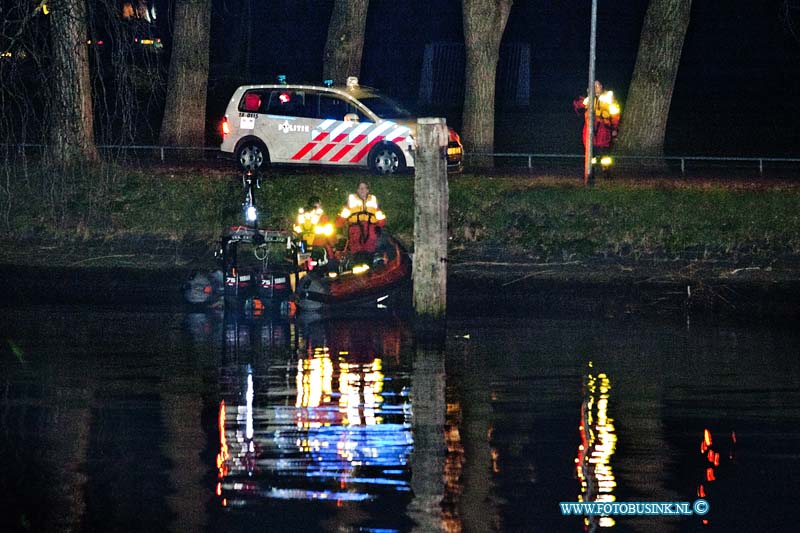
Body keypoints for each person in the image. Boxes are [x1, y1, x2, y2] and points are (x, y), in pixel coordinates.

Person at [336, 181, 386, 255]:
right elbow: (343, 215)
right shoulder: (351, 202)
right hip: (355, 229)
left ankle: (370, 261)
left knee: (370, 249)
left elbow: (380, 216)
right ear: (357, 190)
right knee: (356, 249)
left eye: (364, 188)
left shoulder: (373, 201)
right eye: (360, 188)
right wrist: (338, 229)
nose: (362, 190)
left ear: (367, 190)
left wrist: (380, 226)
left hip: (370, 229)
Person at [573, 80, 621, 155]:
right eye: (593, 86)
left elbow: (615, 115)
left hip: (604, 130)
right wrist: (587, 98)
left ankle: (604, 166)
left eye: (597, 86)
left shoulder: (609, 99)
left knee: (604, 156)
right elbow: (578, 108)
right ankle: (592, 165)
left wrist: (615, 129)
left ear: (601, 86)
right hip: (589, 130)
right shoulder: (587, 99)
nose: (595, 88)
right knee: (590, 155)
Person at [293, 196, 335, 269]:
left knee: (304, 268)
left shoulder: (301, 216)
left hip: (304, 247)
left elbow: (296, 229)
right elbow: (329, 232)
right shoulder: (321, 216)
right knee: (330, 264)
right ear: (318, 204)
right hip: (318, 246)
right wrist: (334, 244)